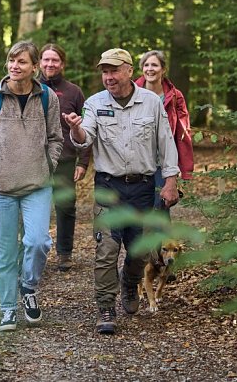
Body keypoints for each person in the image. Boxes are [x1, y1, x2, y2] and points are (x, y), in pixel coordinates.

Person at [63, 48, 180, 335]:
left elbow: (165, 143)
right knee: (106, 249)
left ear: (129, 70)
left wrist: (170, 180)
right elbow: (84, 138)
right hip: (108, 187)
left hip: (142, 187)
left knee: (138, 252)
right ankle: (106, 307)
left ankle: (129, 282)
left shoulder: (151, 103)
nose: (109, 76)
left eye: (114, 70)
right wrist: (76, 130)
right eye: (104, 71)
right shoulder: (94, 103)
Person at [0, 41, 64, 332]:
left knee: (38, 242)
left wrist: (48, 165)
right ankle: (8, 309)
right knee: (4, 252)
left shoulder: (47, 97)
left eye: (21, 62)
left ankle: (29, 286)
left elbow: (56, 138)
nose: (14, 66)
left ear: (35, 67)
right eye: (11, 60)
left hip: (37, 185)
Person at [38, 43, 91, 272]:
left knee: (65, 207)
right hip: (34, 162)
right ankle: (32, 254)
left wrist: (83, 161)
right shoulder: (29, 87)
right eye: (46, 60)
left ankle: (64, 254)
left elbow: (87, 127)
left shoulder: (74, 92)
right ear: (39, 62)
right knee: (33, 207)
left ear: (62, 64)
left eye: (55, 60)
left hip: (65, 160)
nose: (50, 64)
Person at [134, 50, 194, 212]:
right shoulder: (132, 92)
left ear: (163, 69)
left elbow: (183, 132)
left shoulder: (175, 96)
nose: (150, 69)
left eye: (154, 65)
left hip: (161, 162)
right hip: (136, 161)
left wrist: (185, 169)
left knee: (159, 208)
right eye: (146, 65)